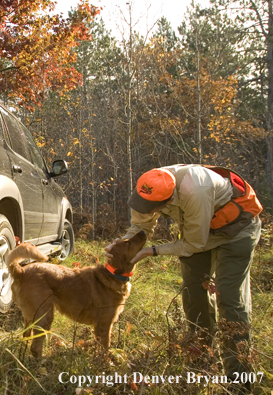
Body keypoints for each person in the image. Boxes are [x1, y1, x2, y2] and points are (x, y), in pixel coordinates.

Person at [106, 164, 261, 384]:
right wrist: (123, 244)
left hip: (236, 233)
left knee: (229, 298)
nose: (146, 209)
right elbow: (140, 227)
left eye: (152, 207)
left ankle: (240, 377)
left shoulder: (196, 189)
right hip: (198, 233)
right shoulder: (149, 186)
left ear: (168, 201)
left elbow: (193, 244)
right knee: (193, 293)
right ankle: (202, 365)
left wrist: (151, 251)